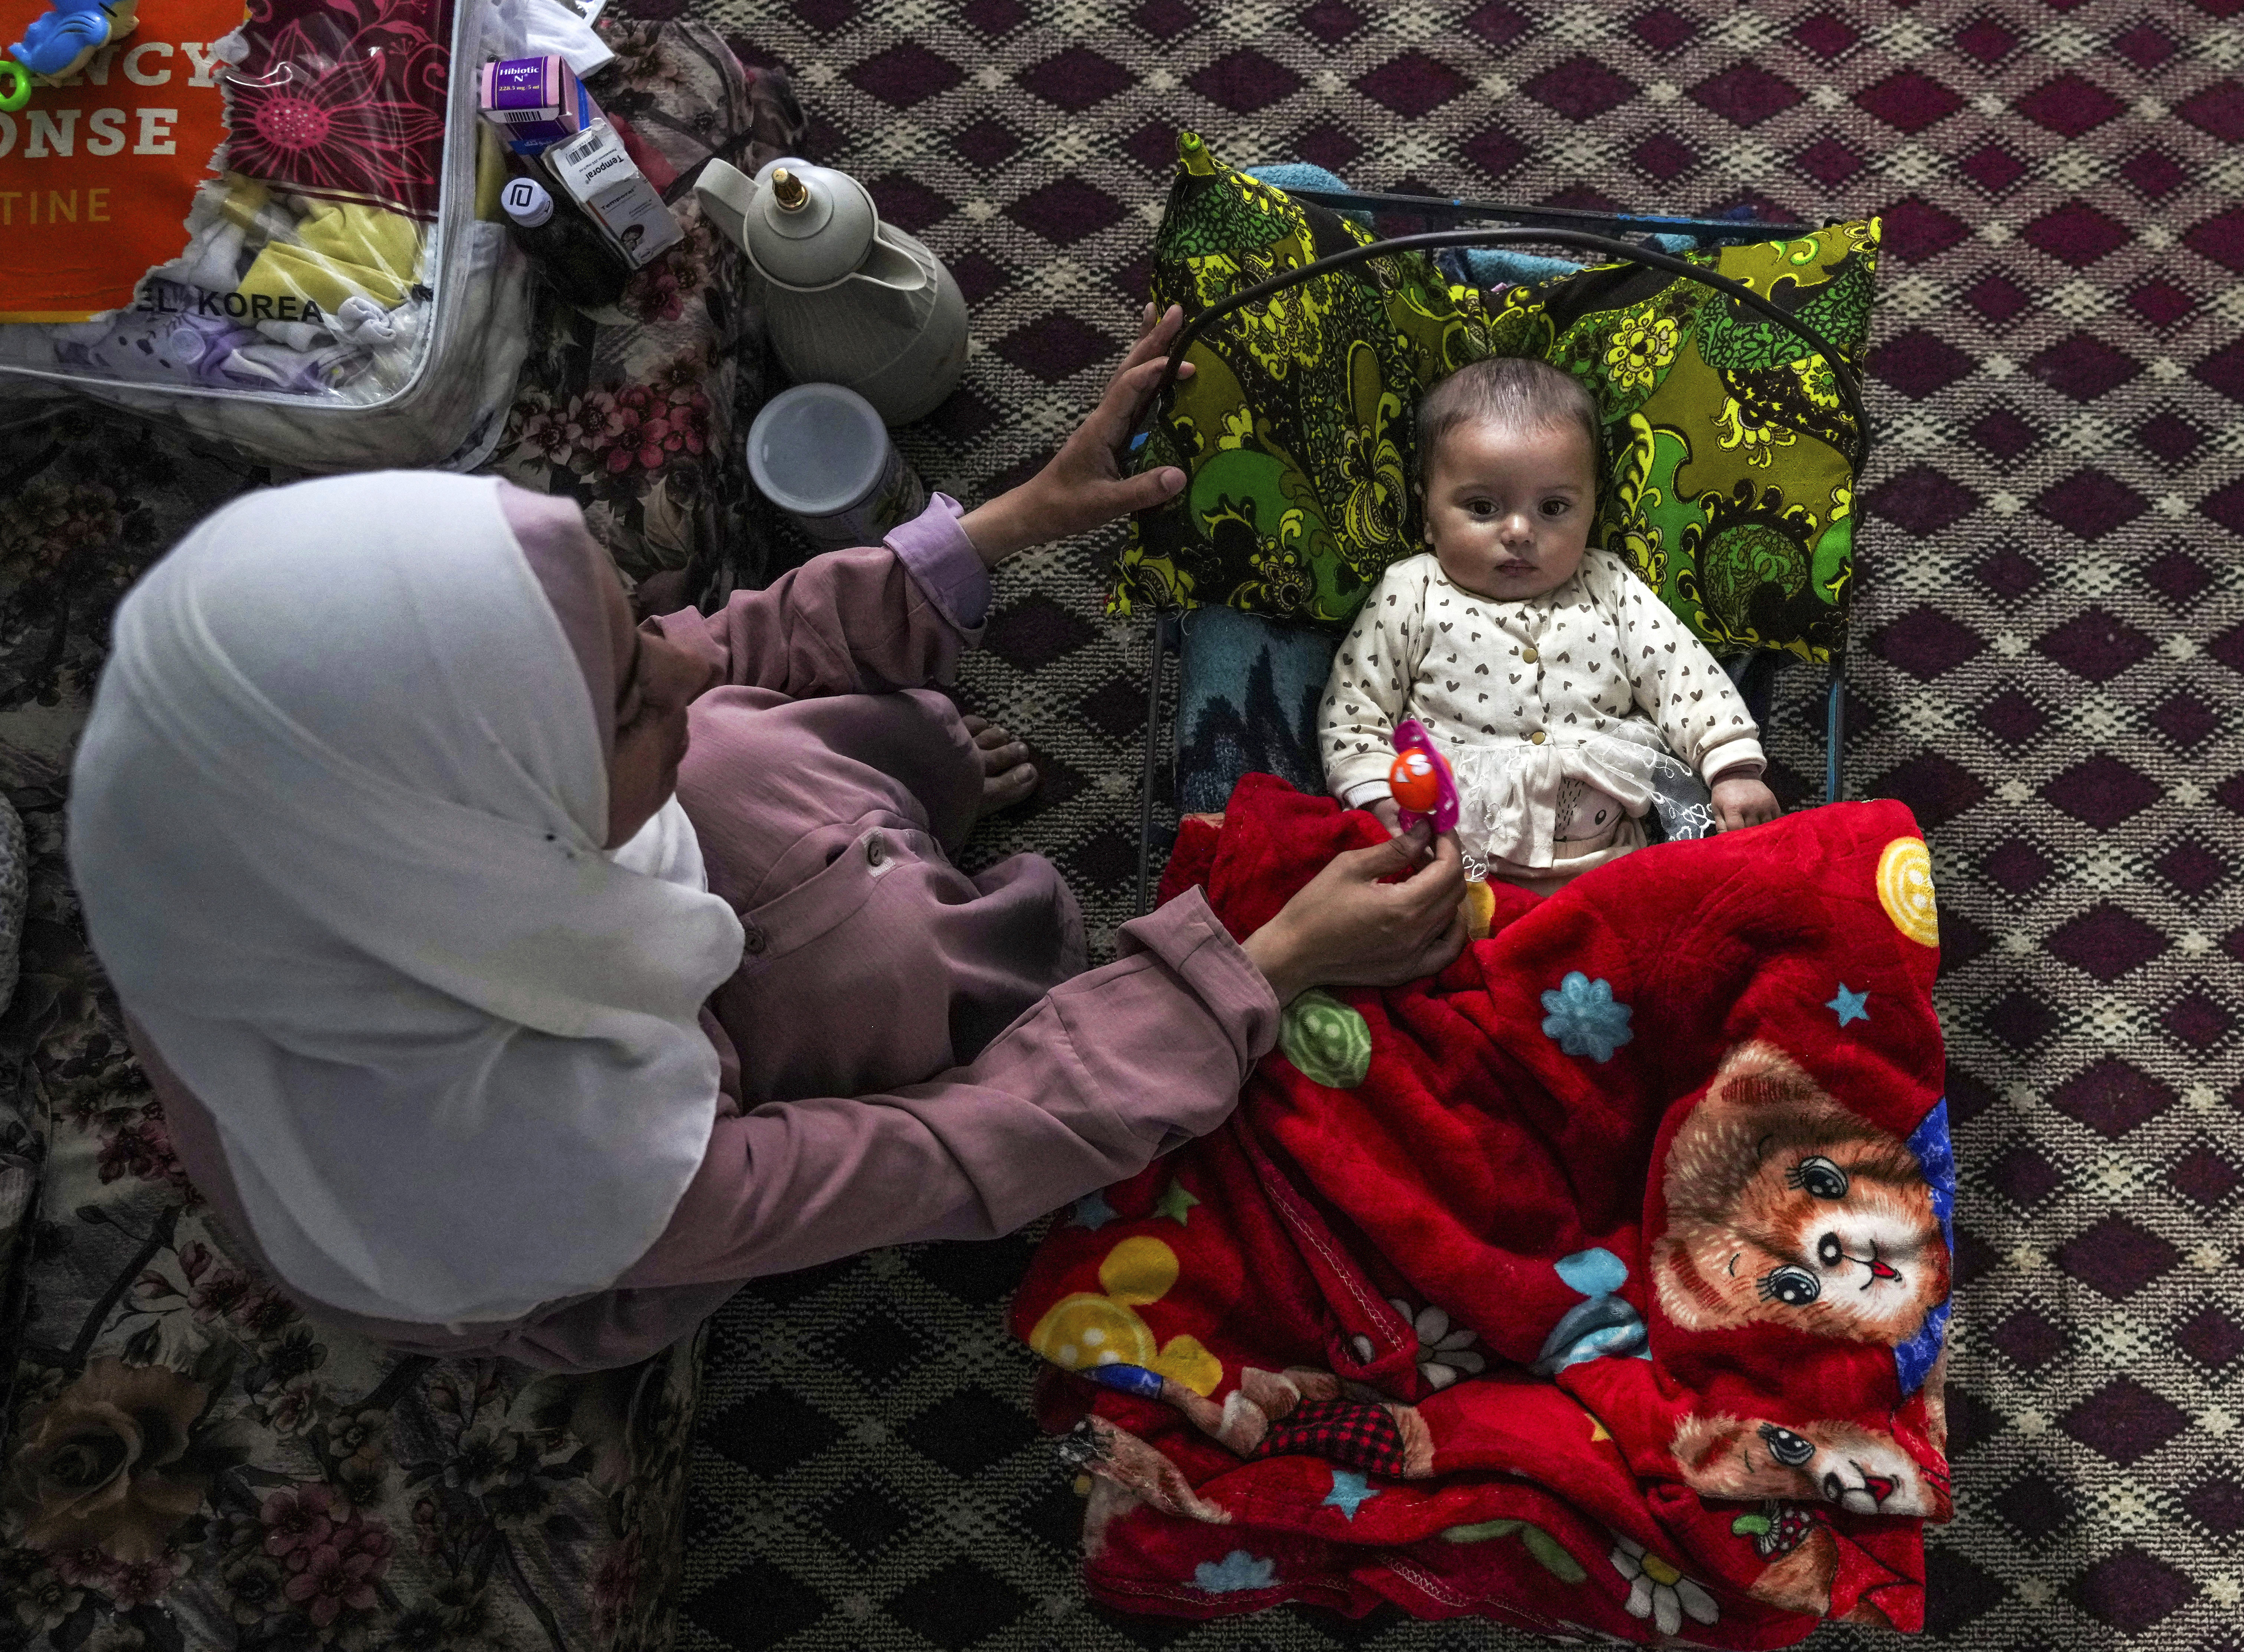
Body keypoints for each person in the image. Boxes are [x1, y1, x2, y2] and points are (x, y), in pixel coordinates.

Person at [67, 307, 1471, 1372]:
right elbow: (946, 1149)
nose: (680, 670)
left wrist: (1002, 522)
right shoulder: (559, 1165)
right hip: (619, 1230)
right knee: (872, 944)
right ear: (494, 841)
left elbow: (704, 646)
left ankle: (873, 818)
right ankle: (892, 879)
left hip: (549, 962)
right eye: (623, 706)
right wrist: (1258, 965)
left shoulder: (251, 791)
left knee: (734, 750)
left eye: (630, 631)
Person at [1318, 356, 1779, 891]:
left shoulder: (1608, 584)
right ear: (1427, 515)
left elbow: (1681, 673)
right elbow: (1355, 711)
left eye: (1554, 507)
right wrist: (1379, 796)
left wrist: (1733, 771)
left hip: (1613, 866)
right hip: (1451, 867)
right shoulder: (1412, 590)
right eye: (1483, 506)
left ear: (1592, 510)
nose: (1518, 531)